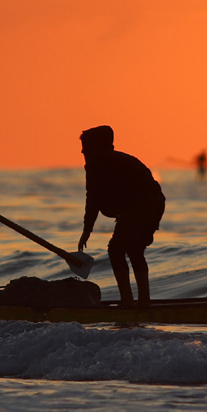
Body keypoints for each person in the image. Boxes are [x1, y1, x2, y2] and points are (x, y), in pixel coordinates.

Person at [77, 125, 166, 306]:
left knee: (116, 250)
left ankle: (129, 301)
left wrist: (87, 230)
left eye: (85, 146)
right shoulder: (118, 158)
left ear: (96, 146)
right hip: (154, 203)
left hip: (142, 206)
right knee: (134, 250)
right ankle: (142, 302)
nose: (82, 150)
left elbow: (92, 198)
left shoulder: (96, 162)